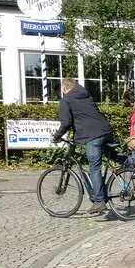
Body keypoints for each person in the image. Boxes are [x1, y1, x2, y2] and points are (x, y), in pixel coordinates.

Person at [53, 78, 114, 215]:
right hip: (106, 130)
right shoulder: (86, 95)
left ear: (64, 89)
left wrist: (57, 136)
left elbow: (66, 122)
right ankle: (132, 166)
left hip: (92, 136)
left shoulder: (66, 100)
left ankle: (99, 201)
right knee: (112, 157)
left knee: (94, 167)